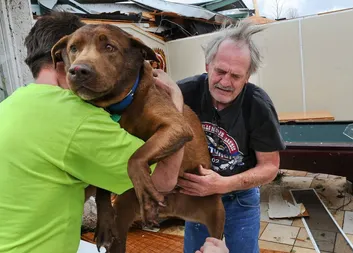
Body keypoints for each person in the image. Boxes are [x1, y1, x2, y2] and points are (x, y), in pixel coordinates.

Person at [0, 12, 185, 253]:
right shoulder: (76, 117)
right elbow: (163, 180)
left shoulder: (10, 105)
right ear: (63, 60)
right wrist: (175, 102)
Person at [176, 21, 286, 253]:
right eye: (220, 71)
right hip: (197, 194)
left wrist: (222, 184)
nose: (225, 82)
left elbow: (270, 167)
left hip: (240, 198)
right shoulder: (184, 94)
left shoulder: (258, 106)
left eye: (236, 76)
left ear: (248, 76)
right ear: (208, 65)